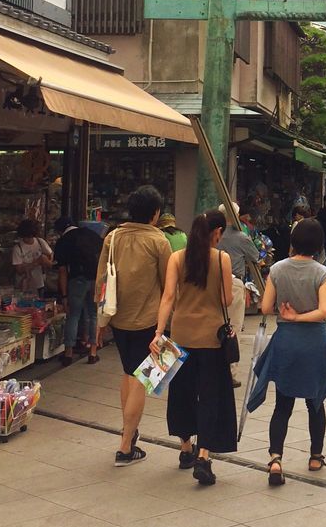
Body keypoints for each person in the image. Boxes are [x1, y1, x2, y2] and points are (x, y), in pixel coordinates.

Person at [248, 216, 326, 484]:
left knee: (282, 405)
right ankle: (315, 456)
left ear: (293, 241)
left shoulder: (276, 270)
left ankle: (276, 459)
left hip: (286, 342)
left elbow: (265, 308)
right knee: (316, 402)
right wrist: (300, 317)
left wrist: (286, 315)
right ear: (319, 244)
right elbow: (324, 311)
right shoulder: (323, 273)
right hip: (315, 342)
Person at [151, 208, 238, 483]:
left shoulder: (177, 258)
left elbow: (167, 297)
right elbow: (226, 300)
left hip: (181, 336)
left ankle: (185, 447)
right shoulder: (222, 258)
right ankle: (204, 455)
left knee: (181, 393)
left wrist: (158, 333)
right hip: (211, 338)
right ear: (216, 233)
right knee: (211, 396)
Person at [96, 185, 172, 467]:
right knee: (142, 379)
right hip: (148, 321)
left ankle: (129, 433)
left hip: (118, 317)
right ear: (155, 214)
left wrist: (99, 321)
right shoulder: (159, 241)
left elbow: (101, 281)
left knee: (129, 373)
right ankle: (126, 444)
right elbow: (168, 286)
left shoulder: (112, 237)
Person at [217, 203, 259, 388]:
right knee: (233, 328)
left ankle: (214, 368)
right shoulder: (241, 237)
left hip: (212, 283)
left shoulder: (214, 235)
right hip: (234, 283)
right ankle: (230, 372)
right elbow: (255, 256)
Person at [54, 219, 101, 365]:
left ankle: (68, 353)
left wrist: (64, 295)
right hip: (95, 280)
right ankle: (93, 352)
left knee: (73, 315)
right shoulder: (93, 235)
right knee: (94, 315)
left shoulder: (63, 241)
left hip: (77, 280)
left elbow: (62, 271)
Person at [12, 219, 52, 294]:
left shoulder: (40, 242)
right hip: (24, 284)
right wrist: (36, 262)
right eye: (25, 237)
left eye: (30, 237)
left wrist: (46, 261)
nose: (28, 239)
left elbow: (50, 255)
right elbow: (19, 270)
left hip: (40, 282)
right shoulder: (18, 248)